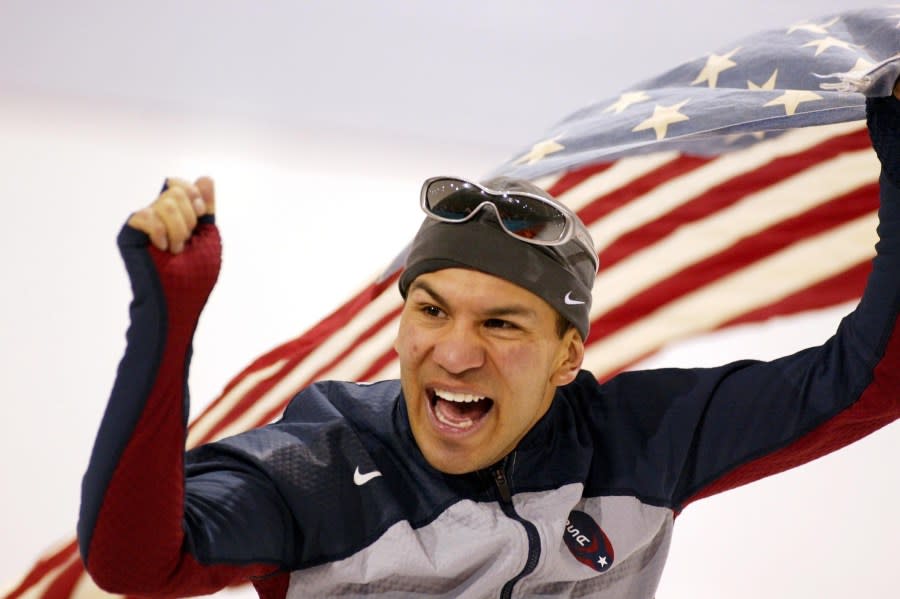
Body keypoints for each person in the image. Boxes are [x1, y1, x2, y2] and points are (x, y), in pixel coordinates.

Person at [78, 80, 900, 598]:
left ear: (569, 355)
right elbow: (135, 561)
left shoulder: (643, 439)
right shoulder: (317, 467)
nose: (457, 351)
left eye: (501, 323)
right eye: (431, 310)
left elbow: (869, 382)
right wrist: (167, 324)